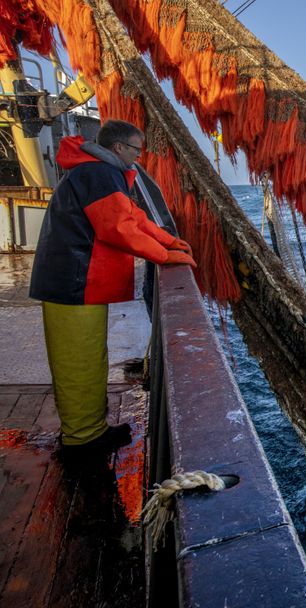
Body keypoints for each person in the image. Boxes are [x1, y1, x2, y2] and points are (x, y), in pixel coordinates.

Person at [30, 119, 196, 457]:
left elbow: (135, 218)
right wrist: (166, 256)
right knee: (78, 360)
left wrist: (170, 243)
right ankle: (82, 440)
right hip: (73, 282)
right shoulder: (99, 175)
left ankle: (91, 428)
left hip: (78, 282)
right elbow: (118, 228)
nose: (139, 156)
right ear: (118, 148)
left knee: (90, 356)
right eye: (136, 149)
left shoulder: (98, 172)